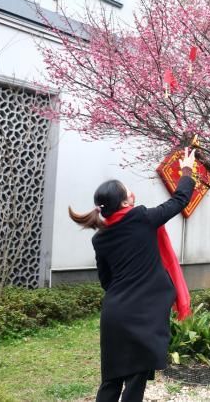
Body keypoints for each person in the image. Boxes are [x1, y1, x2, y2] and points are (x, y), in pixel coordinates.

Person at [69, 148, 196, 402]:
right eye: (129, 191)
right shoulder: (142, 219)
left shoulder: (100, 239)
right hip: (144, 316)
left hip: (114, 316)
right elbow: (180, 200)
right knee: (135, 382)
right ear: (126, 202)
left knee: (111, 380)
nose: (133, 194)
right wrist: (187, 169)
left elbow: (106, 281)